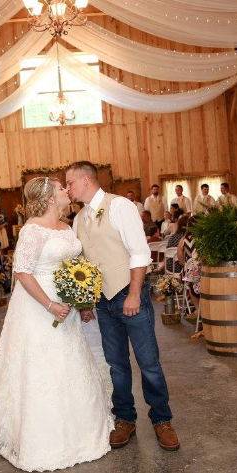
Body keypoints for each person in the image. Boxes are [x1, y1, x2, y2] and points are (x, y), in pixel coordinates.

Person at [0, 176, 113, 472]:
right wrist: (50, 305)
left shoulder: (66, 226)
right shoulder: (32, 230)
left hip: (67, 307)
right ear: (48, 198)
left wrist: (81, 300)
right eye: (61, 189)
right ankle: (41, 436)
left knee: (69, 361)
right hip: (39, 307)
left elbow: (76, 267)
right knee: (41, 367)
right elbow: (22, 273)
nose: (66, 191)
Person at [66, 161, 179, 452]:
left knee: (148, 363)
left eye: (70, 183)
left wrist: (134, 293)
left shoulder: (120, 207)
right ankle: (125, 419)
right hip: (102, 303)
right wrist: (86, 302)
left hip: (129, 294)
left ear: (86, 180)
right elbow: (83, 265)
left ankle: (162, 420)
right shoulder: (79, 220)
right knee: (116, 364)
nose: (68, 189)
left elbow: (140, 252)